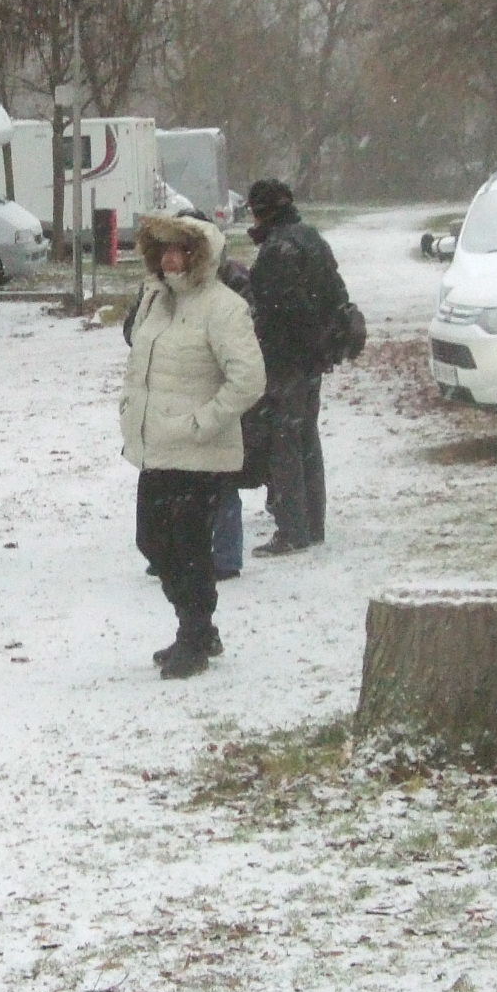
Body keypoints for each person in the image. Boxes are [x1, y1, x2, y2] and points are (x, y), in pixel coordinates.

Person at [120, 212, 266, 678]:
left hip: (197, 452)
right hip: (155, 446)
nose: (170, 259)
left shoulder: (223, 307)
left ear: (200, 255)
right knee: (152, 541)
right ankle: (199, 628)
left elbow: (249, 379)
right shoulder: (155, 299)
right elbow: (139, 358)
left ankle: (194, 635)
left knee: (188, 548)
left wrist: (203, 423)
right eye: (163, 249)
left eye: (181, 250)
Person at [243, 178, 350, 555]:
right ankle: (312, 522)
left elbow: (277, 311)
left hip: (283, 360)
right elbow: (336, 293)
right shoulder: (311, 238)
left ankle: (292, 529)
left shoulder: (277, 250)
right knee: (305, 437)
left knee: (283, 442)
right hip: (313, 358)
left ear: (260, 211)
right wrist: (321, 344)